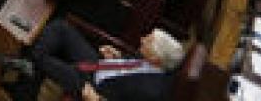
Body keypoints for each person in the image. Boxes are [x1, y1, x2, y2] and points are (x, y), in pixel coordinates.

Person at [32, 21, 184, 101]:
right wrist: (118, 57)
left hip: (92, 87)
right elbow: (133, 67)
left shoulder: (151, 92)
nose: (142, 39)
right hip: (98, 65)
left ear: (155, 58)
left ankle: (29, 66)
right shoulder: (153, 61)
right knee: (61, 27)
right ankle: (29, 75)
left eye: (147, 41)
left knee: (41, 58)